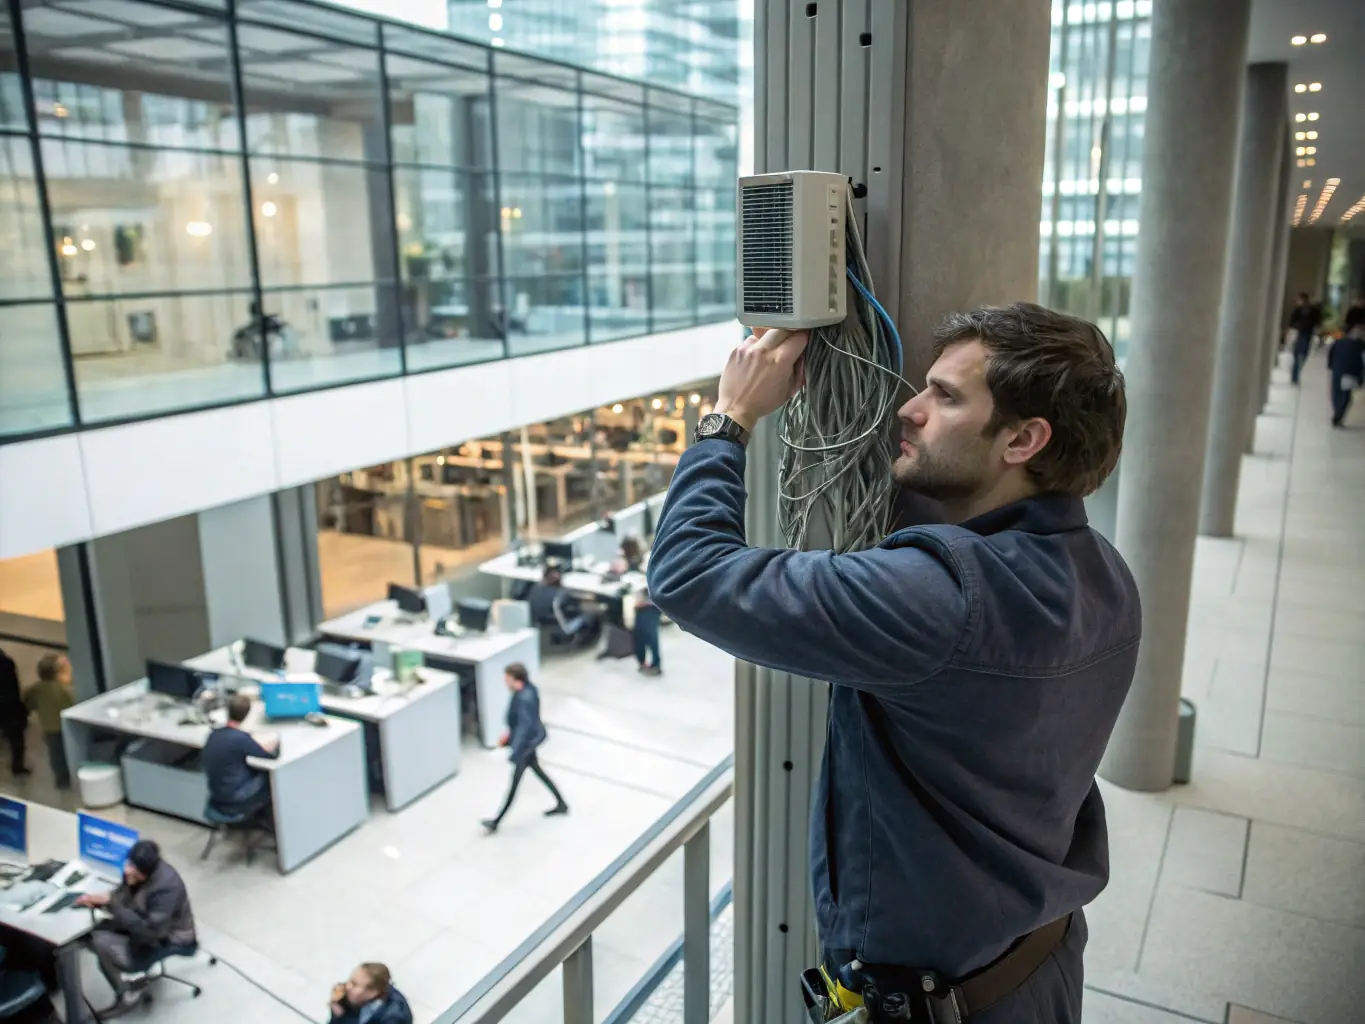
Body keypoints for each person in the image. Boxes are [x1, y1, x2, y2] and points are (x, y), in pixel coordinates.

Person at [646, 303, 1139, 1023]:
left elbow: (688, 574)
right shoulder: (1105, 576)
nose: (908, 408)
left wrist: (730, 416)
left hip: (943, 1003)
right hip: (1042, 966)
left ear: (1023, 439)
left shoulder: (942, 600)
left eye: (945, 396)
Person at [75, 840, 196, 1018]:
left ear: (145, 872)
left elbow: (150, 933)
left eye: (133, 868)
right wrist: (102, 900)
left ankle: (128, 994)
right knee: (93, 933)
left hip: (168, 937)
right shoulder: (138, 870)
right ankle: (125, 974)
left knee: (98, 941)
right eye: (129, 863)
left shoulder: (166, 888)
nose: (127, 870)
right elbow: (123, 896)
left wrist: (114, 905)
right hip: (145, 924)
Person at [481, 663, 568, 832]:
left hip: (525, 746)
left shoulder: (523, 698)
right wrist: (510, 736)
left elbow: (524, 726)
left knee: (514, 784)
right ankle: (561, 803)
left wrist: (515, 750)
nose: (505, 682)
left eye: (507, 679)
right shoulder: (529, 691)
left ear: (516, 680)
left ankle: (496, 821)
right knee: (539, 773)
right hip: (529, 743)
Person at [202, 693, 278, 821]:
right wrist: (274, 745)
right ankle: (270, 823)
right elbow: (268, 756)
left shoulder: (214, 734)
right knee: (270, 778)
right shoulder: (240, 739)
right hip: (236, 796)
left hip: (217, 795)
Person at [24, 653, 74, 789]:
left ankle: (61, 778)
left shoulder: (36, 689)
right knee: (63, 753)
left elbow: (28, 702)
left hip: (47, 726)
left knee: (55, 753)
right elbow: (69, 708)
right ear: (58, 674)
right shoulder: (60, 691)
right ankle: (65, 779)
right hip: (61, 727)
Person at [527, 566, 601, 647]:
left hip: (542, 621)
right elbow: (575, 597)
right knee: (590, 614)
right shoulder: (558, 593)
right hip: (562, 625)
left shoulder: (536, 588)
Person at [329, 963, 413, 1024]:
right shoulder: (348, 995)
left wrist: (342, 1017)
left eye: (354, 984)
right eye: (350, 980)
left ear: (373, 993)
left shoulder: (394, 1018)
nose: (347, 986)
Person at [1327, 323, 1365, 427]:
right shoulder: (1361, 345)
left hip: (1337, 370)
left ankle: (1337, 412)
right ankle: (1339, 414)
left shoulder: (1339, 342)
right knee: (1346, 396)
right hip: (1350, 373)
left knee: (1336, 393)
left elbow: (1331, 353)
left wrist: (1330, 365)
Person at [0, 646, 29, 777]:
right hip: (10, 705)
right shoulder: (7, 663)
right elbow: (14, 685)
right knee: (16, 739)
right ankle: (17, 767)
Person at [1288, 292, 1317, 385]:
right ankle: (1294, 376)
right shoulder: (1297, 310)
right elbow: (1291, 322)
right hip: (1298, 334)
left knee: (1304, 354)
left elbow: (1317, 321)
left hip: (1308, 334)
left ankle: (1296, 372)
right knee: (1297, 355)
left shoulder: (1313, 311)